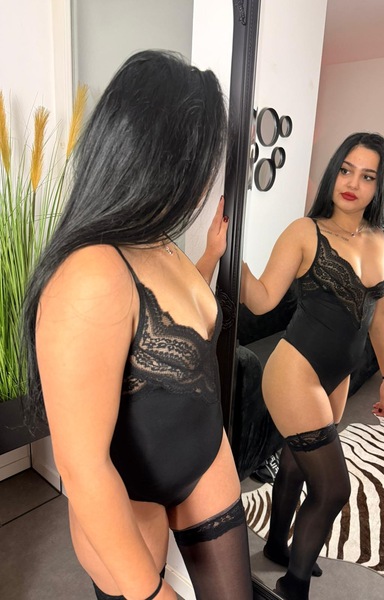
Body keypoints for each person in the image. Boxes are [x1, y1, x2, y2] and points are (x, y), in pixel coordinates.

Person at [22, 50, 253, 600]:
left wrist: (210, 257)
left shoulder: (159, 241)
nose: (207, 181)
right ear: (162, 159)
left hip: (206, 459)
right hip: (128, 493)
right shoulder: (92, 272)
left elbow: (170, 321)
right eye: (203, 162)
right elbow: (82, 468)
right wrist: (151, 594)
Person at [240, 132, 384, 600]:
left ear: (380, 185)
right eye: (346, 170)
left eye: (367, 176)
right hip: (296, 372)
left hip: (338, 376)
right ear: (334, 171)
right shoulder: (304, 231)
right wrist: (233, 256)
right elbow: (262, 299)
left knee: (296, 463)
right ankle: (293, 585)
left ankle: (276, 546)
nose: (352, 183)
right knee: (332, 490)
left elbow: (383, 315)